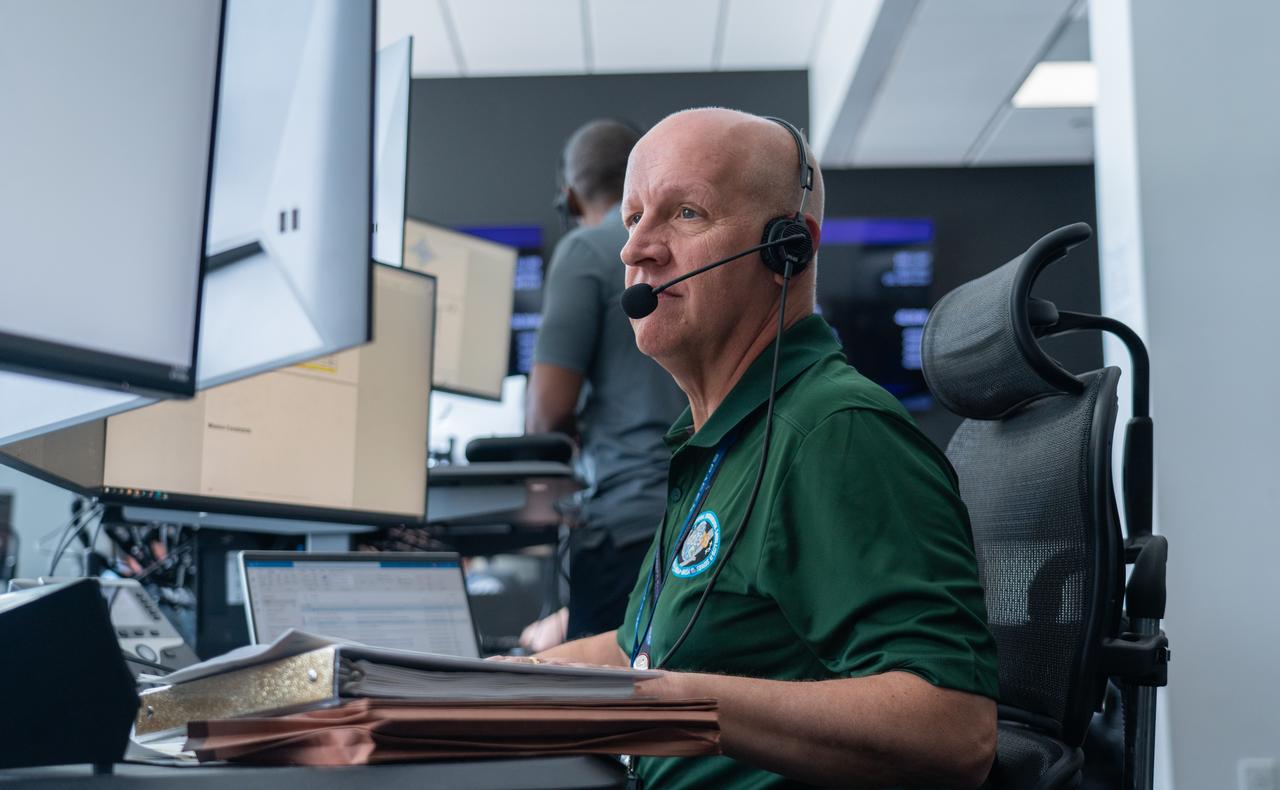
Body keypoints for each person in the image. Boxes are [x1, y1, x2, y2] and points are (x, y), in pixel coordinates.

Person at [528, 108, 1000, 788]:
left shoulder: (832, 433)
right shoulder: (719, 445)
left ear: (788, 249)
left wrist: (680, 706)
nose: (636, 250)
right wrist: (482, 687)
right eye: (633, 217)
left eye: (685, 213)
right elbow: (642, 651)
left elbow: (954, 730)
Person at [522, 119, 687, 650]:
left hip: (626, 523)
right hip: (708, 511)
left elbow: (546, 416)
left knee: (606, 715)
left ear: (569, 198)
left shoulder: (584, 251)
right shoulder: (691, 249)